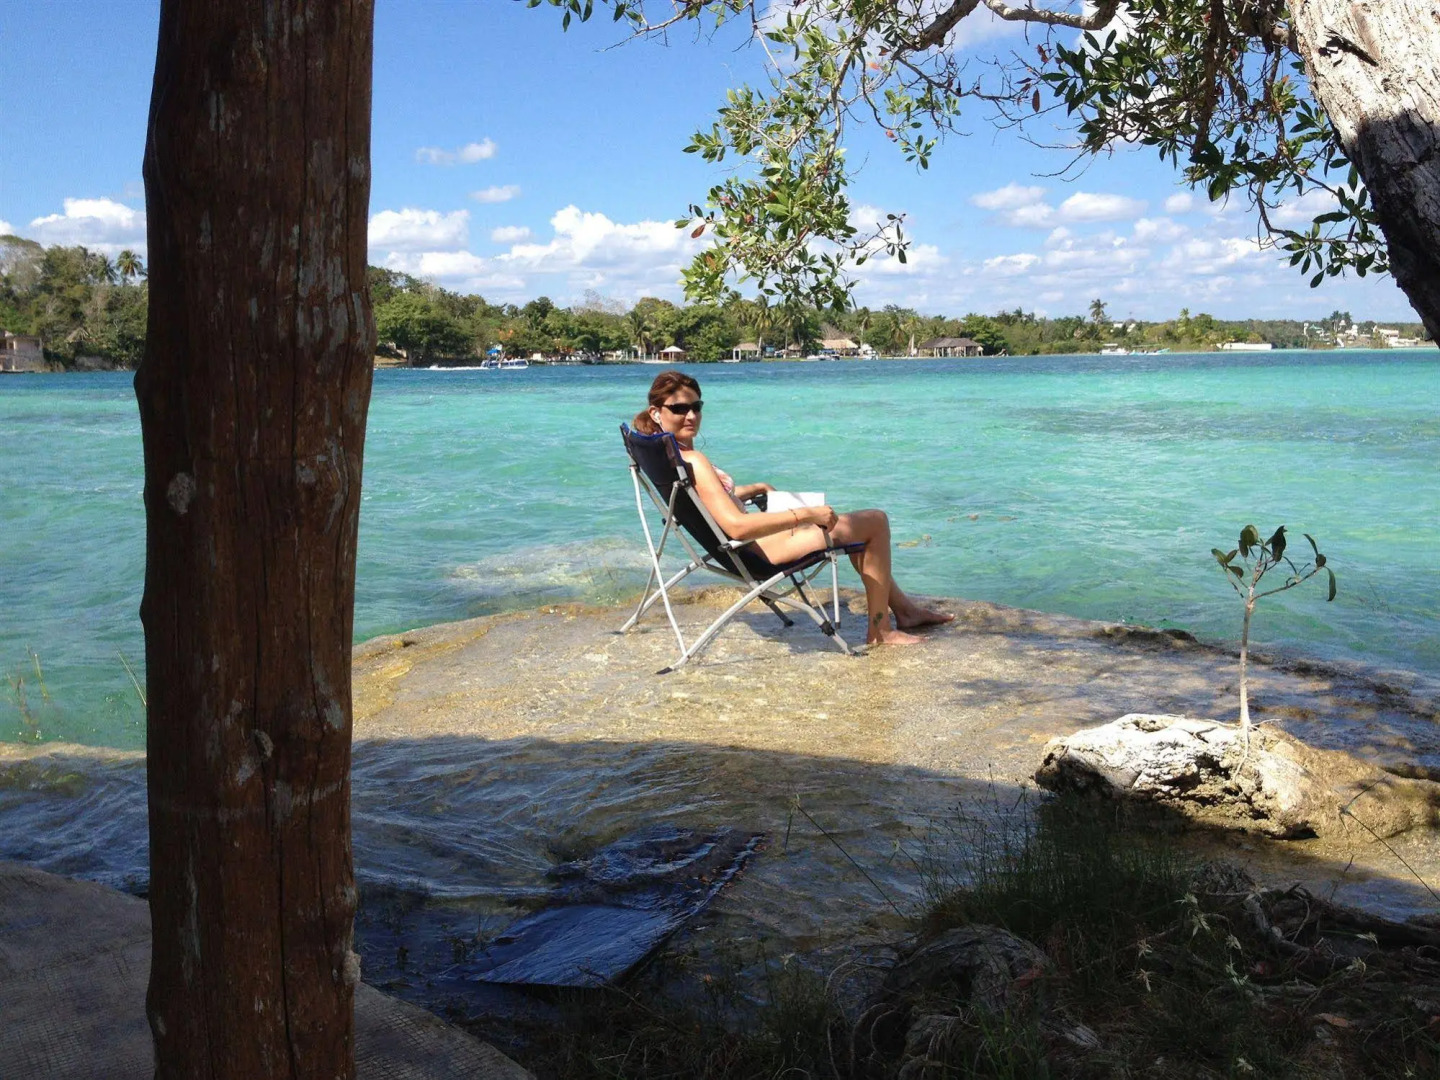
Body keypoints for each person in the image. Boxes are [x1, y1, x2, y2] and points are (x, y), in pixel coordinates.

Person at [632, 369, 953, 645]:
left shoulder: (672, 455)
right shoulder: (694, 460)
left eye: (696, 406)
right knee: (875, 522)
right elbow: (735, 526)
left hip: (742, 548)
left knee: (847, 523)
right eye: (679, 408)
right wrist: (805, 515)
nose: (691, 415)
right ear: (657, 411)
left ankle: (906, 612)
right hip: (759, 550)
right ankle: (881, 632)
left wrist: (755, 489)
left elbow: (710, 502)